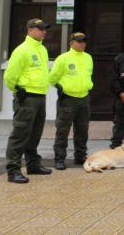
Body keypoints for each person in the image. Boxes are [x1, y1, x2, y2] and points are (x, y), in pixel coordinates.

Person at [3, 18, 53, 183]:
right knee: (20, 134)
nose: (44, 31)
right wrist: (17, 89)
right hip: (27, 98)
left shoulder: (43, 49)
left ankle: (33, 165)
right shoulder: (22, 50)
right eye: (40, 29)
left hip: (40, 96)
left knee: (35, 133)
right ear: (30, 30)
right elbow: (10, 75)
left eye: (45, 29)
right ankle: (13, 170)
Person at [49, 32, 93, 170]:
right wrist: (60, 87)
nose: (82, 44)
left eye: (84, 41)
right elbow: (52, 78)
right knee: (63, 130)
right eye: (79, 41)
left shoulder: (88, 58)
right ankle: (59, 158)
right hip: (68, 99)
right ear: (71, 43)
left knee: (82, 130)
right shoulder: (63, 58)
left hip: (84, 98)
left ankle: (80, 156)